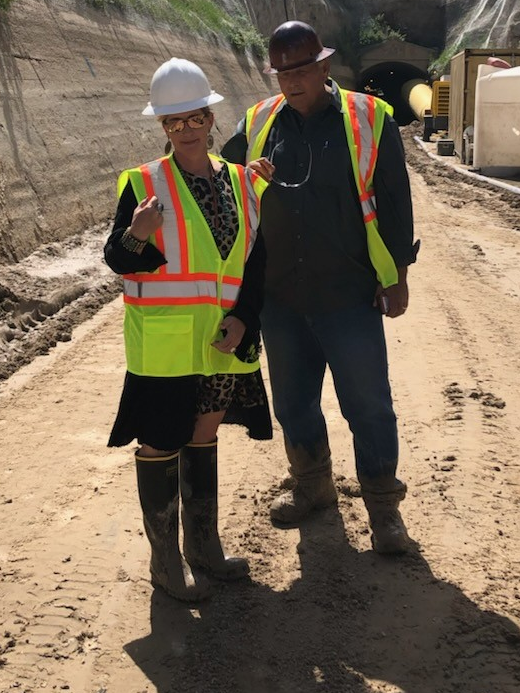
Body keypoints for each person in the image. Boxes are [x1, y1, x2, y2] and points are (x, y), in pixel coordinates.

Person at [222, 21, 419, 554]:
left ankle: (384, 508)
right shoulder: (259, 122)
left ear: (324, 65)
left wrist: (397, 277)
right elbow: (220, 178)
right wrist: (242, 174)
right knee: (293, 404)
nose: (292, 80)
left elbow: (394, 200)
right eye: (282, 72)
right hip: (281, 299)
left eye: (302, 69)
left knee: (369, 406)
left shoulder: (368, 117)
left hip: (348, 295)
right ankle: (313, 486)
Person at [104, 58, 272, 601]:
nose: (186, 129)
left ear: (210, 118)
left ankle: (204, 548)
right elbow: (118, 259)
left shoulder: (241, 181)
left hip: (221, 339)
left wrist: (244, 317)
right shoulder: (144, 183)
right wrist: (137, 234)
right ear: (163, 126)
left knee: (203, 438)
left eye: (194, 117)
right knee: (160, 443)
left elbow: (255, 259)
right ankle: (165, 563)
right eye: (174, 121)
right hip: (166, 346)